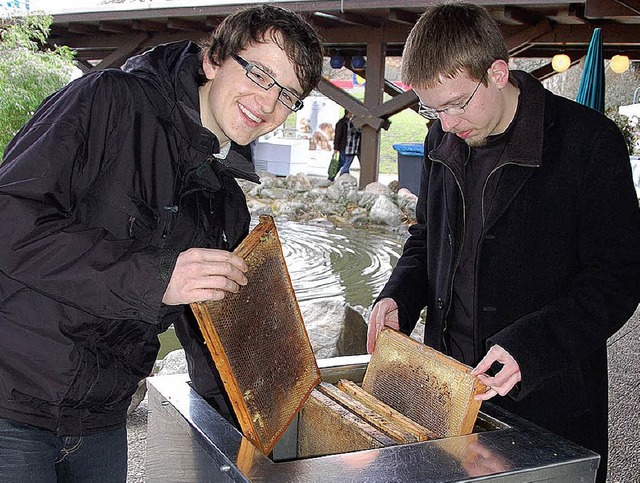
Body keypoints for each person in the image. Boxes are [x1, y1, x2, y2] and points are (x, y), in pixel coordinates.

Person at [0, 5, 323, 481]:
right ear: (213, 59)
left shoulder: (227, 205)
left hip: (102, 419)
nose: (267, 101)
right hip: (12, 402)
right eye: (259, 73)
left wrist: (264, 438)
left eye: (288, 95)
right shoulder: (106, 100)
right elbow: (10, 218)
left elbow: (213, 339)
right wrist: (156, 277)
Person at [366, 4, 640, 482]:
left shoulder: (589, 142)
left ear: (497, 73)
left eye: (455, 104)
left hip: (549, 395)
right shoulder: (440, 140)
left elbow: (619, 277)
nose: (446, 124)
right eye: (433, 109)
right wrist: (398, 297)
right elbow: (425, 237)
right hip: (450, 394)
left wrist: (531, 347)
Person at [330, 110, 361, 180]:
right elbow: (338, 136)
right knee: (346, 165)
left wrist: (336, 147)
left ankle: (331, 178)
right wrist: (336, 147)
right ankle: (342, 180)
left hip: (343, 147)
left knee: (340, 163)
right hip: (350, 148)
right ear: (349, 113)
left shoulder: (341, 122)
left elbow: (337, 136)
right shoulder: (350, 124)